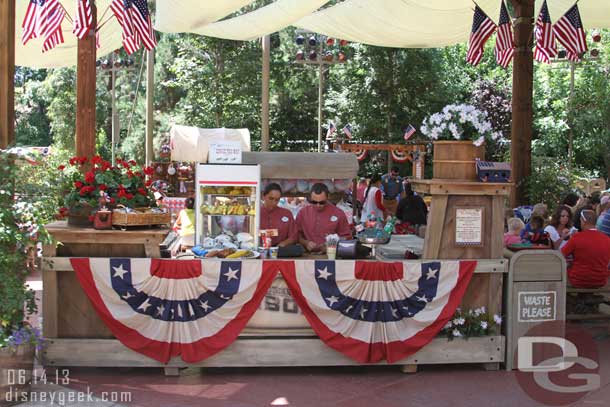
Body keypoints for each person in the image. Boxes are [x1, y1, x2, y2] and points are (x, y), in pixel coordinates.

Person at [296, 183, 352, 253]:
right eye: (314, 202)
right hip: (307, 255)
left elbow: (347, 237)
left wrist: (331, 244)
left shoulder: (338, 213)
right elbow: (296, 234)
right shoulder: (303, 213)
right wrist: (305, 242)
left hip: (331, 254)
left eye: (322, 202)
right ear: (310, 198)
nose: (318, 205)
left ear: (328, 197)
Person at [561, 209, 610, 288]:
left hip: (578, 280)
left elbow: (561, 255)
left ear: (583, 221)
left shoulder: (576, 237)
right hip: (600, 280)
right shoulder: (607, 239)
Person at [260, 183, 298, 247]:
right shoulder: (255, 214)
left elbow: (294, 236)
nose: (274, 202)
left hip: (281, 252)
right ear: (263, 196)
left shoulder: (287, 213)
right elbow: (248, 235)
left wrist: (285, 243)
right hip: (259, 252)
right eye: (271, 198)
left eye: (277, 200)